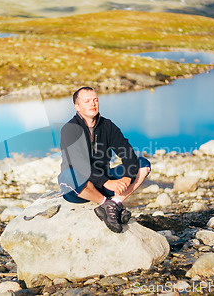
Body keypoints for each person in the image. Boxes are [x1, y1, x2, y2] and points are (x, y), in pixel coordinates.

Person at [58, 86, 151, 233]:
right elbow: (79, 165)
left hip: (104, 182)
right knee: (72, 175)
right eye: (87, 101)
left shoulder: (107, 126)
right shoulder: (70, 129)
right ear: (77, 107)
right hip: (78, 188)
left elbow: (127, 153)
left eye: (95, 100)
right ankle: (105, 203)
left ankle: (114, 203)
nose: (93, 104)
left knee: (143, 164)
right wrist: (107, 182)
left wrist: (127, 177)